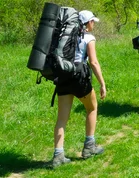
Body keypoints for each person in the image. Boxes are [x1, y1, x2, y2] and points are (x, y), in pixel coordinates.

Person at [51, 10, 106, 168]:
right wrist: (102, 83)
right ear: (88, 23)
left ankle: (58, 155)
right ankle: (89, 147)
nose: (94, 24)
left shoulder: (65, 37)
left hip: (63, 77)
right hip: (78, 77)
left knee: (62, 118)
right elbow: (94, 63)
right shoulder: (89, 38)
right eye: (93, 21)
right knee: (92, 108)